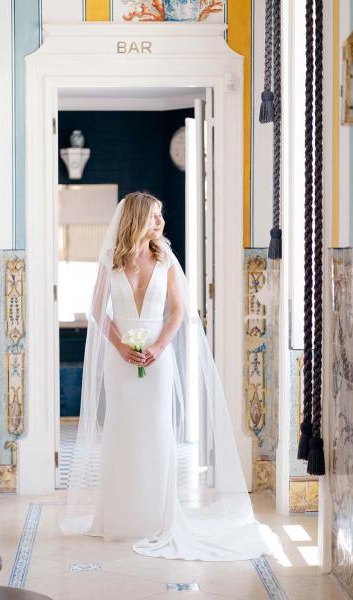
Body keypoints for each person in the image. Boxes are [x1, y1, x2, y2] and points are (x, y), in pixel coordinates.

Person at [61, 191, 271, 561]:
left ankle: (157, 518)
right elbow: (97, 309)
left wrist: (157, 348)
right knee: (122, 432)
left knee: (157, 431)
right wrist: (120, 346)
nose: (160, 222)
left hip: (158, 361)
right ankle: (120, 517)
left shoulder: (166, 259)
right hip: (120, 360)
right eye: (154, 216)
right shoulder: (110, 260)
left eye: (160, 215)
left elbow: (178, 312)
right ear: (137, 219)